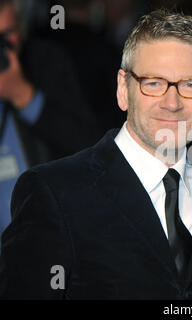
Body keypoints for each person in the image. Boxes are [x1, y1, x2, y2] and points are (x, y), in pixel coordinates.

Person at [0, 8, 192, 299]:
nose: (172, 103)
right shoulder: (55, 193)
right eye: (153, 84)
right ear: (123, 88)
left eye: (190, 85)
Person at [0, 0, 100, 241]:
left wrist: (24, 95)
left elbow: (89, 147)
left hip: (49, 246)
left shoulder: (46, 63)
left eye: (7, 35)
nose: (3, 48)